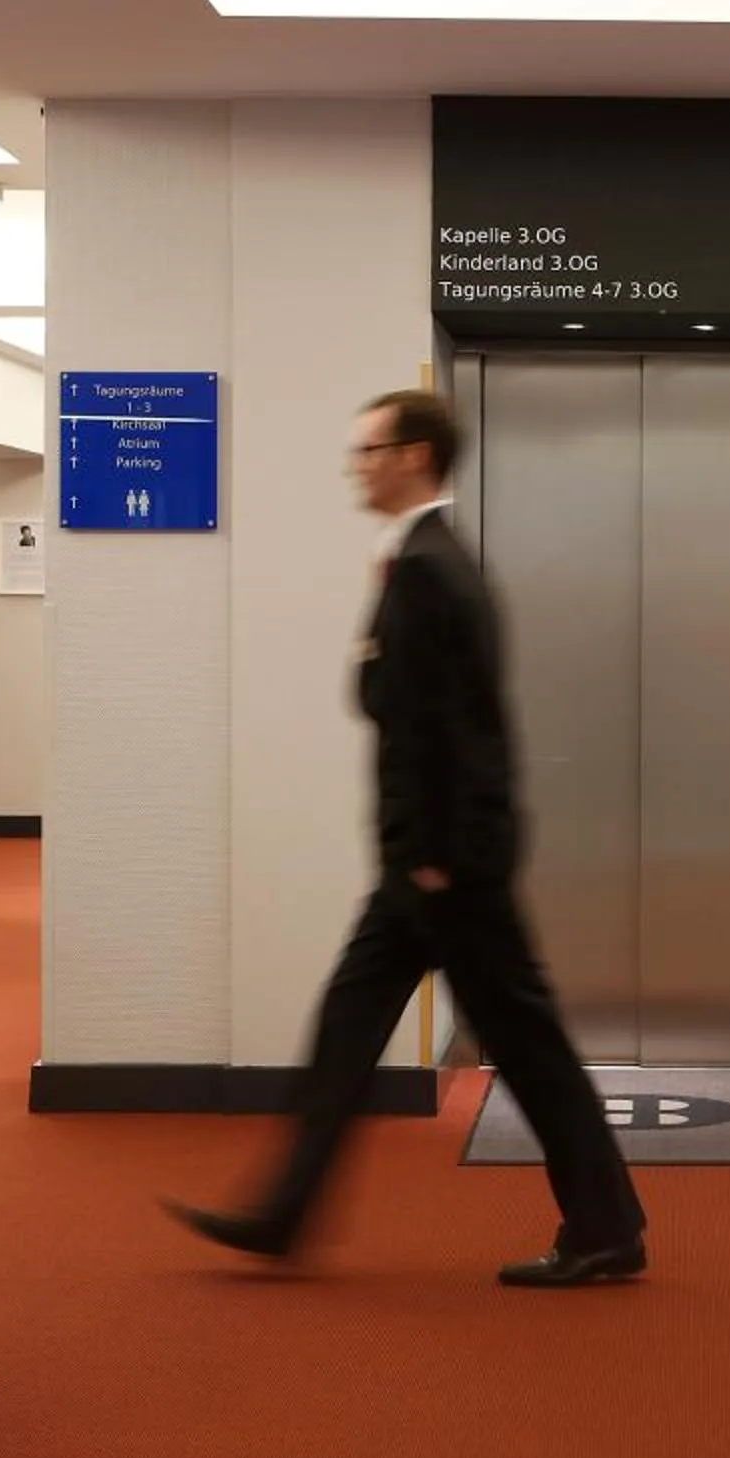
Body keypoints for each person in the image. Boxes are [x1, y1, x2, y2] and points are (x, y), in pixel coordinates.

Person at [167, 388, 648, 1285]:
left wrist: (438, 859)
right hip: (427, 863)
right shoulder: (416, 560)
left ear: (414, 456)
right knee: (355, 1028)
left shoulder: (431, 569)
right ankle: (284, 1212)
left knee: (524, 1046)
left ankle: (606, 1226)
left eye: (369, 448)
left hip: (444, 869)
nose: (357, 464)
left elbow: (461, 730)